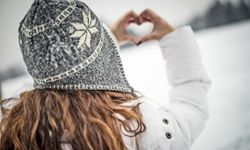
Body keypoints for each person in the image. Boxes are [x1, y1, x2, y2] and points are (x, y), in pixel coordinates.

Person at [0, 0, 211, 150]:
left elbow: (51, 74)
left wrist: (104, 40)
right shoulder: (137, 131)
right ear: (101, 54)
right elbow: (191, 106)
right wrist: (173, 39)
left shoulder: (12, 126)